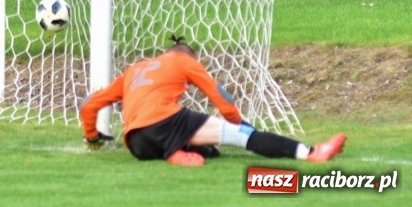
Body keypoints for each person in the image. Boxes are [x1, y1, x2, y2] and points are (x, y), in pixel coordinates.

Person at [80, 35, 346, 166]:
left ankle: (175, 153)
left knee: (210, 150)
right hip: (166, 123)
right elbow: (222, 98)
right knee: (242, 136)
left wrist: (93, 137)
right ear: (186, 56)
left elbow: (90, 105)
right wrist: (241, 124)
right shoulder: (184, 61)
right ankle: (313, 153)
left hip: (137, 144)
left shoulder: (134, 70)